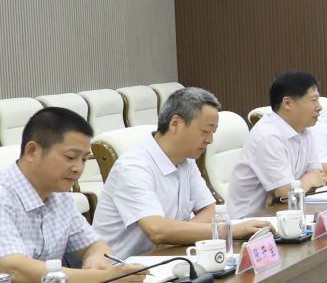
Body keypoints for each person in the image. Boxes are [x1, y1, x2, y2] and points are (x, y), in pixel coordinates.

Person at [0, 106, 120, 283]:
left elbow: (95, 245)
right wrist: (101, 279)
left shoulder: (60, 196)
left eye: (84, 159)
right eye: (70, 157)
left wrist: (96, 259)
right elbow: (14, 271)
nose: (78, 168)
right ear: (32, 151)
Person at [91, 87, 268, 258]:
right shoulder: (133, 167)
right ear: (176, 124)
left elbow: (210, 211)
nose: (210, 140)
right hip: (120, 269)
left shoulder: (186, 161)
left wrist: (177, 234)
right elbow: (156, 230)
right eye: (205, 131)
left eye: (213, 132)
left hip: (165, 258)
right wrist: (228, 230)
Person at [227, 71, 327, 216]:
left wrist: (288, 191)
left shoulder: (304, 130)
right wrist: (306, 181)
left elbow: (320, 176)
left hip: (283, 212)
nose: (319, 107)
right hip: (249, 220)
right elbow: (287, 193)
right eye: (313, 100)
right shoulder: (268, 136)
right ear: (287, 103)